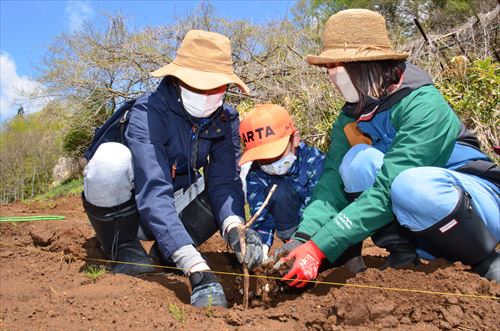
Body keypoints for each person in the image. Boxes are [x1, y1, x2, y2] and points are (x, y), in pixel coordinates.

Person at [274, 9, 499, 287]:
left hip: (477, 208)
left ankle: (485, 259)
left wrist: (320, 247)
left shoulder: (423, 104)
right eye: (327, 68)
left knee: (409, 183)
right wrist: (304, 236)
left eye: (336, 66)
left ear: (366, 65)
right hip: (422, 225)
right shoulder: (349, 118)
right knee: (356, 162)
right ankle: (404, 254)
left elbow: (387, 187)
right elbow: (331, 182)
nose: (331, 77)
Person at [81, 29, 264, 308]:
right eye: (199, 82)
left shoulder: (226, 119)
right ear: (179, 79)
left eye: (216, 85)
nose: (207, 93)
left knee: (233, 179)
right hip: (134, 209)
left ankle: (168, 252)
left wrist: (235, 228)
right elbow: (153, 189)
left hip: (177, 206)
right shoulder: (148, 112)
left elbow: (224, 182)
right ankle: (123, 248)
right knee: (109, 161)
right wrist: (196, 269)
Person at [239, 104, 326, 260]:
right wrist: (260, 249)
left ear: (295, 139)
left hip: (326, 233)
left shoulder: (315, 161)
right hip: (292, 239)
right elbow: (261, 219)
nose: (270, 162)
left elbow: (321, 208)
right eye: (262, 157)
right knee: (278, 190)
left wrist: (302, 240)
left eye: (275, 153)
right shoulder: (256, 175)